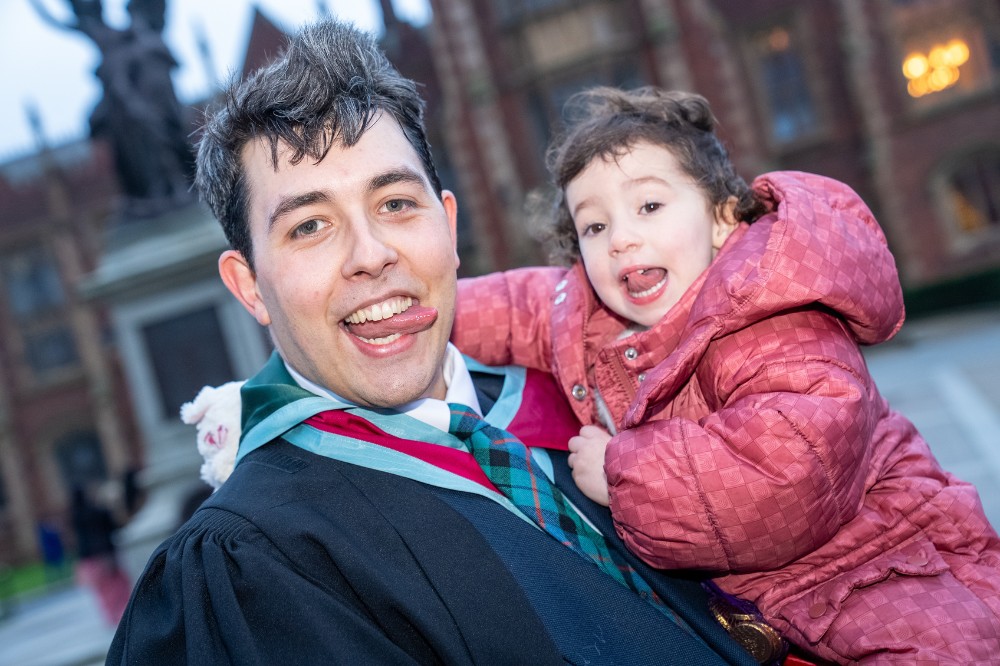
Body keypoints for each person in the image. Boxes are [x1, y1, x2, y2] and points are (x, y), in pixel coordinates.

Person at [107, 20, 773, 665]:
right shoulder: (251, 568)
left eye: (396, 204)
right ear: (249, 286)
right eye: (309, 226)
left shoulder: (575, 399)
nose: (371, 255)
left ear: (448, 228)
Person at [450, 86, 1000, 663]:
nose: (621, 239)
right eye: (594, 227)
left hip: (879, 563)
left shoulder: (776, 315)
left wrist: (621, 475)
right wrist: (406, 310)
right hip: (765, 605)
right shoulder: (584, 313)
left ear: (720, 219)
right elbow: (508, 307)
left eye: (649, 207)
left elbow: (785, 480)